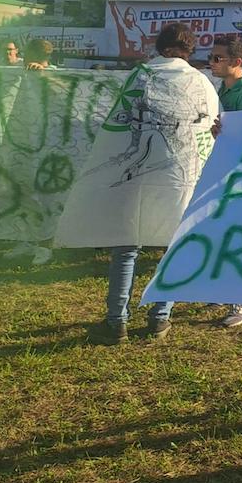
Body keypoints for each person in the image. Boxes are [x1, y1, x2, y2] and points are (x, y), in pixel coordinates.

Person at [93, 23, 220, 345]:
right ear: (190, 51)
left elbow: (117, 123)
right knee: (170, 248)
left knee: (126, 248)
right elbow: (212, 128)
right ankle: (160, 317)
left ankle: (116, 321)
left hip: (138, 173)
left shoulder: (141, 76)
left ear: (159, 46)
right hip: (181, 176)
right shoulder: (201, 81)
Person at [208, 34, 242, 329]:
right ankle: (227, 291)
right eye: (211, 57)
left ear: (237, 63)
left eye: (218, 59)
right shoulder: (224, 87)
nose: (212, 63)